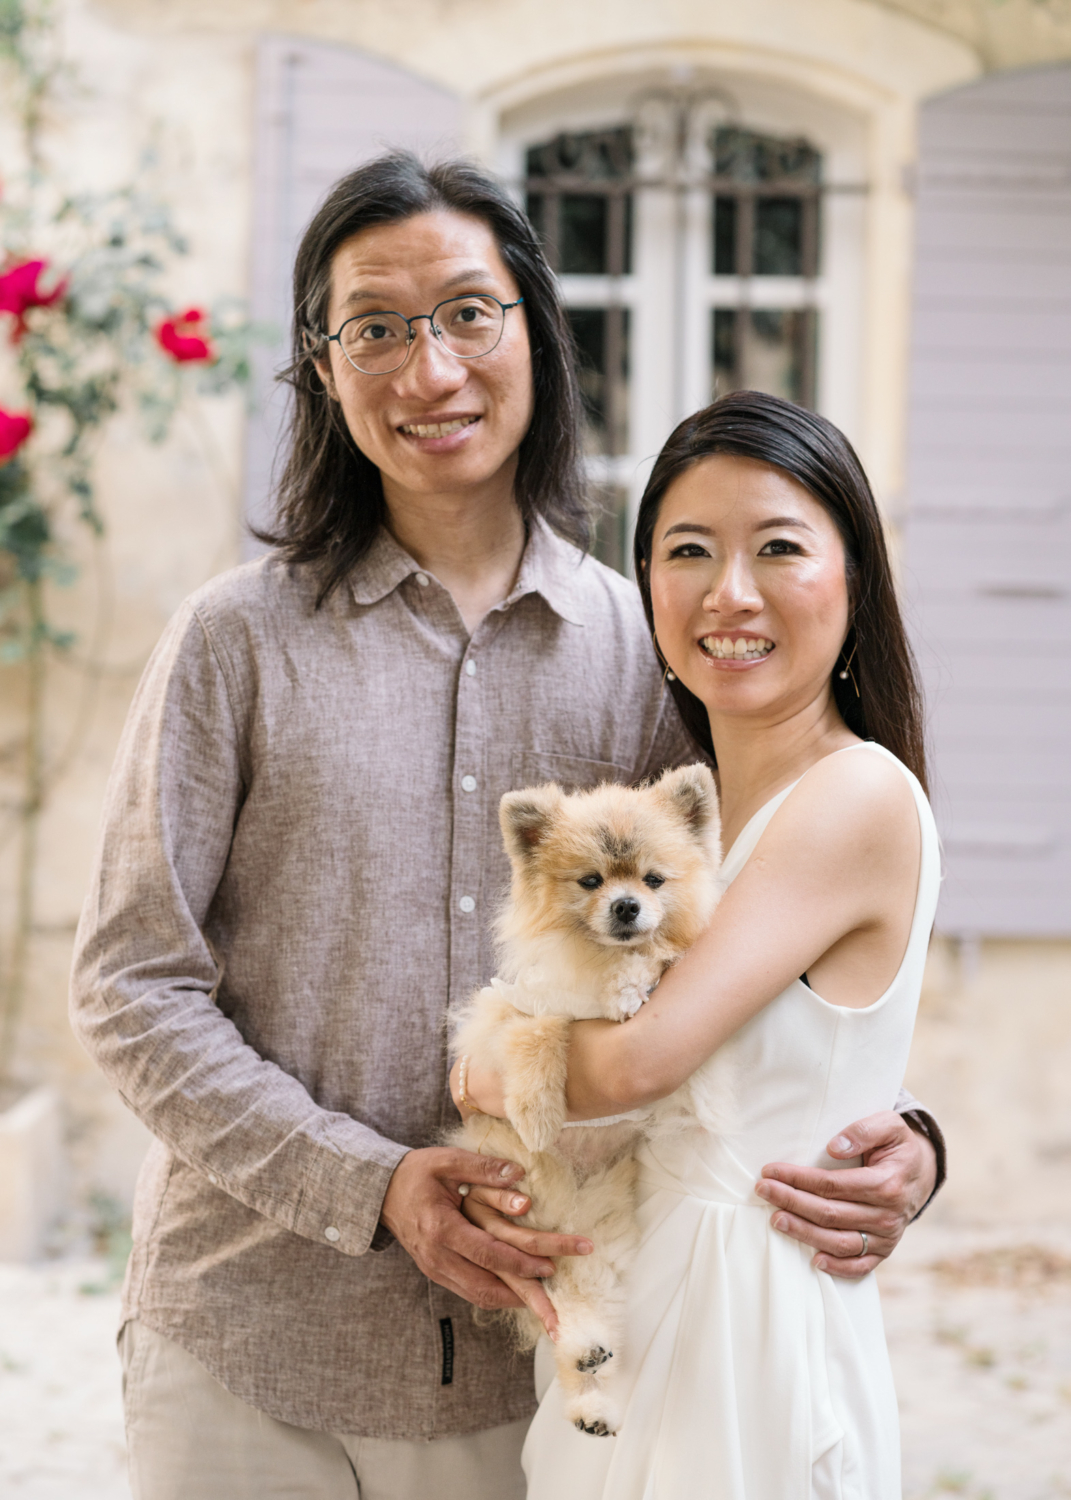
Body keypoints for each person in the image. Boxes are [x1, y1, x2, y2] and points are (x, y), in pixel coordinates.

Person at [69, 155, 941, 1500]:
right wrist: (368, 1183)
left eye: (467, 314)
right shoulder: (231, 644)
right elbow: (130, 988)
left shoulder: (659, 659)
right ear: (321, 367)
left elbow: (769, 936)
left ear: (536, 331)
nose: (429, 373)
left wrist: (902, 1131)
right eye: (375, 328)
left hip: (526, 1375)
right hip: (242, 1354)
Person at [456, 391, 940, 1498]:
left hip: (750, 1324)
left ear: (854, 575)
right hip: (653, 1296)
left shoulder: (855, 794)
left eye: (778, 547)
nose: (730, 593)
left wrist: (482, 1064)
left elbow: (633, 1063)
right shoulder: (692, 812)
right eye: (687, 551)